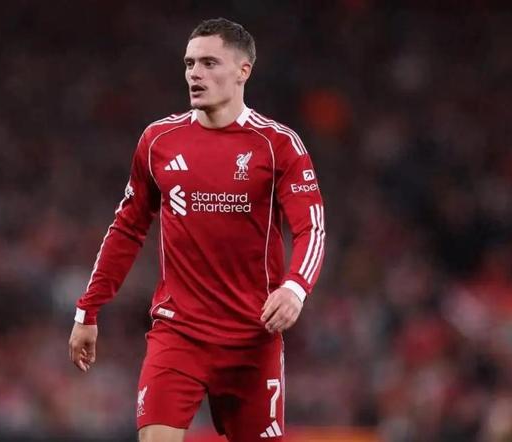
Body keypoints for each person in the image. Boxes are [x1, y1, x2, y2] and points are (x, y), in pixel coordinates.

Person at [68, 18, 325, 442]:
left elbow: (311, 227)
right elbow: (127, 229)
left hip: (252, 338)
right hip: (179, 334)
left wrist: (295, 288)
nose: (195, 74)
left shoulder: (278, 145)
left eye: (209, 63)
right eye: (189, 64)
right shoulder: (159, 140)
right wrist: (88, 310)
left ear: (243, 71)